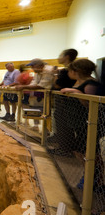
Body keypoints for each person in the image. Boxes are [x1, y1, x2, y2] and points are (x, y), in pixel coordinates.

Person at [60, 59, 104, 191]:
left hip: (87, 123)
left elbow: (91, 104)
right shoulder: (80, 82)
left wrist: (77, 93)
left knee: (91, 152)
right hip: (77, 121)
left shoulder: (90, 83)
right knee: (80, 150)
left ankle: (96, 178)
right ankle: (89, 174)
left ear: (76, 71)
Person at [15, 58, 55, 131]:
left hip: (49, 96)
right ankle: (38, 127)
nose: (32, 68)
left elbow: (42, 85)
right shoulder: (37, 73)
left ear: (40, 65)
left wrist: (24, 86)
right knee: (36, 110)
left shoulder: (48, 71)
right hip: (38, 96)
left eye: (33, 66)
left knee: (48, 113)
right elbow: (34, 83)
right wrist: (27, 87)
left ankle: (48, 131)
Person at [49, 49, 78, 149]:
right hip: (64, 102)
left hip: (65, 102)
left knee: (64, 125)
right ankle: (63, 144)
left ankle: (65, 148)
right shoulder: (66, 70)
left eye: (60, 55)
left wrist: (56, 75)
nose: (58, 57)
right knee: (61, 123)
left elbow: (57, 85)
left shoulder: (67, 70)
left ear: (67, 56)